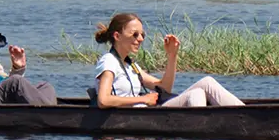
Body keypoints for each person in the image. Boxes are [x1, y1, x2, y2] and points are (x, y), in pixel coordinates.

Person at [93, 12, 244, 109]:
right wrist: (144, 99)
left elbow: (165, 88)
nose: (140, 39)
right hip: (135, 117)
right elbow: (103, 100)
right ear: (117, 36)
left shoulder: (131, 65)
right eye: (135, 34)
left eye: (142, 35)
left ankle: (246, 115)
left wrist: (172, 56)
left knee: (207, 82)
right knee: (196, 94)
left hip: (147, 112)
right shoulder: (109, 62)